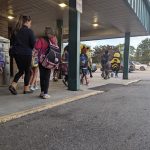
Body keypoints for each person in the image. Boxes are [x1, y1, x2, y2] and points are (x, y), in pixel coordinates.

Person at [9, 15, 35, 95]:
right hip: (26, 53)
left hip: (16, 53)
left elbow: (12, 43)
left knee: (21, 70)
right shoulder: (29, 31)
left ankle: (13, 85)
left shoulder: (15, 31)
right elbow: (33, 44)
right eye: (30, 23)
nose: (30, 25)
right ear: (27, 21)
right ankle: (26, 89)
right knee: (28, 71)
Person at [34, 27, 60, 99]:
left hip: (41, 61)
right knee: (47, 77)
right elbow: (56, 49)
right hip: (50, 60)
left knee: (42, 76)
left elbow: (36, 48)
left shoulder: (41, 39)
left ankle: (42, 92)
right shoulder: (54, 39)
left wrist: (35, 55)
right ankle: (45, 93)